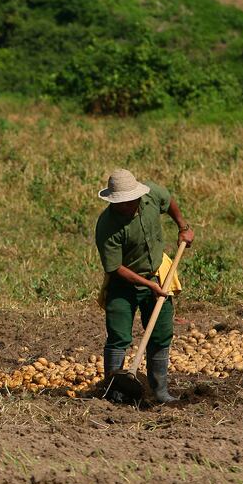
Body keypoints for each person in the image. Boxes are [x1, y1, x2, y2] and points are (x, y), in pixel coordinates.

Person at [95, 169, 194, 403]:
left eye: (130, 202)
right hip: (124, 283)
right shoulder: (107, 225)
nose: (126, 207)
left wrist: (182, 226)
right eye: (121, 204)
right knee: (118, 336)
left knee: (160, 334)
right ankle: (113, 392)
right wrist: (147, 285)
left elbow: (167, 200)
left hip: (159, 274)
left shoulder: (150, 196)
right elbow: (115, 267)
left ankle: (159, 391)